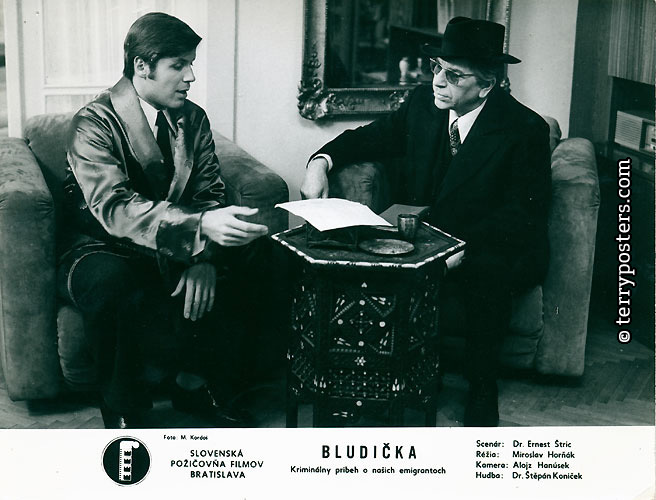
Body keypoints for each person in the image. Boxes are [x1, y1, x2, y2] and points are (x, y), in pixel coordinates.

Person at [300, 17, 551, 427]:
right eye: (437, 67)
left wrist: (459, 249)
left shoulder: (524, 129)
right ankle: (389, 374)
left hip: (493, 243)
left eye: (453, 75)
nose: (438, 81)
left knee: (489, 273)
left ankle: (482, 385)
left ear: (486, 84)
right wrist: (320, 162)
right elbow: (369, 136)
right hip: (429, 236)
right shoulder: (422, 104)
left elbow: (520, 217)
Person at [58, 12, 269, 429]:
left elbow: (209, 194)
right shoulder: (93, 122)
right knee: (110, 281)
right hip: (101, 246)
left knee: (256, 250)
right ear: (142, 66)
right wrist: (198, 230)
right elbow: (114, 207)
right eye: (178, 65)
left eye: (191, 63)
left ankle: (194, 385)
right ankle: (123, 406)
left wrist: (204, 259)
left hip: (173, 245)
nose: (191, 76)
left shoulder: (193, 119)